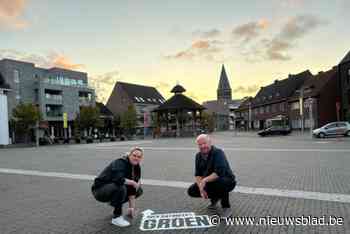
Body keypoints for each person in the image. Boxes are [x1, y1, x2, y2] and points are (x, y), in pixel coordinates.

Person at [91, 147, 144, 227]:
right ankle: (116, 217)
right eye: (134, 155)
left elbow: (132, 189)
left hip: (112, 188)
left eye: (139, 157)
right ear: (129, 155)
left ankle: (114, 202)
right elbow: (118, 179)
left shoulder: (136, 167)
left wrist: (131, 208)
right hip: (100, 190)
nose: (136, 158)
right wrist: (133, 182)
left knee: (138, 190)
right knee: (120, 187)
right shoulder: (120, 162)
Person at [187, 134, 236, 217]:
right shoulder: (198, 156)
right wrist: (201, 188)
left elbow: (219, 173)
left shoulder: (218, 152)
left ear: (210, 143)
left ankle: (226, 207)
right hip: (210, 181)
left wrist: (204, 181)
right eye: (200, 144)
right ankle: (215, 198)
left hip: (227, 181)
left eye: (204, 143)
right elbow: (198, 174)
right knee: (192, 190)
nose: (202, 146)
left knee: (220, 183)